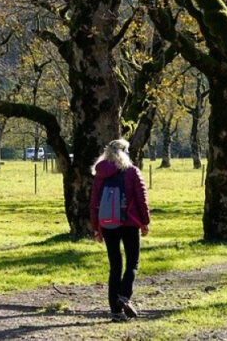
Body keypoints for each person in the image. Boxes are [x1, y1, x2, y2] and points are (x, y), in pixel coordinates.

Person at [89, 138, 150, 322]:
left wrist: (96, 228)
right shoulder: (132, 172)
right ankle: (124, 296)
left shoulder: (100, 174)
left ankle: (115, 312)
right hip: (130, 223)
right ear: (125, 152)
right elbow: (142, 199)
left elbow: (94, 203)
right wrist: (145, 222)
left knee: (115, 266)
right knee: (132, 262)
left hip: (107, 225)